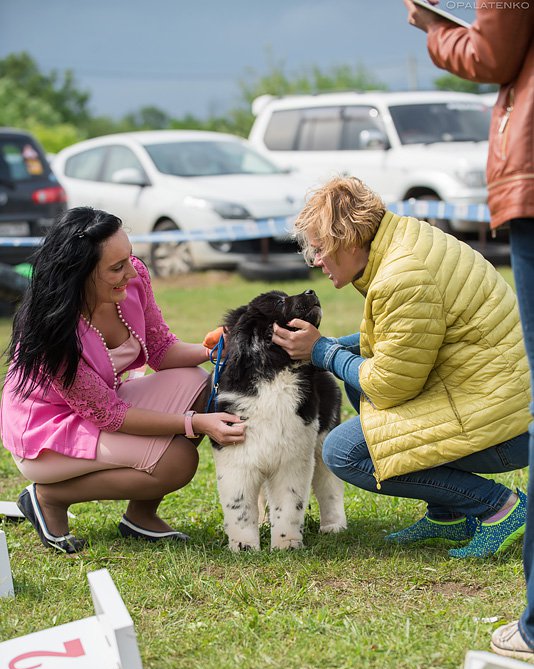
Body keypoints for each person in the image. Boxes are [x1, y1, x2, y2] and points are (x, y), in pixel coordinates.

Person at [272, 176, 530, 562]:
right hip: (493, 397)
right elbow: (405, 341)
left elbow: (390, 385)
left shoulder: (403, 275)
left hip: (505, 427)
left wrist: (323, 350)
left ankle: (499, 507)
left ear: (349, 238)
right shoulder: (401, 241)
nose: (315, 260)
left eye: (320, 247)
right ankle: (448, 515)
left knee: (344, 453)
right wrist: (335, 346)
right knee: (357, 383)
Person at [403, 0, 534, 659]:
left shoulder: (404, 273)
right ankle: (449, 508)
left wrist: (434, 29)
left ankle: (494, 515)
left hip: (496, 417)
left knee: (350, 446)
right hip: (484, 403)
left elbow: (493, 54)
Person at [0, 207, 246, 554]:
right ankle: (48, 496)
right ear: (80, 275)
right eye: (117, 267)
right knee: (177, 461)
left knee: (199, 383)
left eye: (129, 259)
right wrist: (195, 423)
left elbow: (161, 349)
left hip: (102, 404)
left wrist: (216, 350)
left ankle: (140, 517)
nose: (131, 272)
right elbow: (110, 415)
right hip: (46, 433)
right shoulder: (52, 331)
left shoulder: (133, 278)